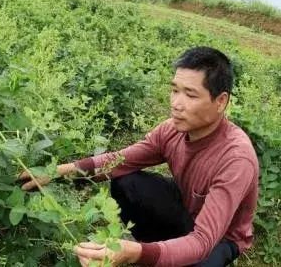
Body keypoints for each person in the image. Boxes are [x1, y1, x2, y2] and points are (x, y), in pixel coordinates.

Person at [19, 47, 259, 267]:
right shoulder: (171, 130)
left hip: (220, 237)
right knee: (126, 182)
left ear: (221, 102)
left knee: (200, 259)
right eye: (174, 90)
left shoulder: (235, 158)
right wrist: (56, 173)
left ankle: (161, 254)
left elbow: (203, 240)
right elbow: (118, 161)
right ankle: (162, 251)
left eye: (191, 95)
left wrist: (136, 253)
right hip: (186, 208)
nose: (176, 104)